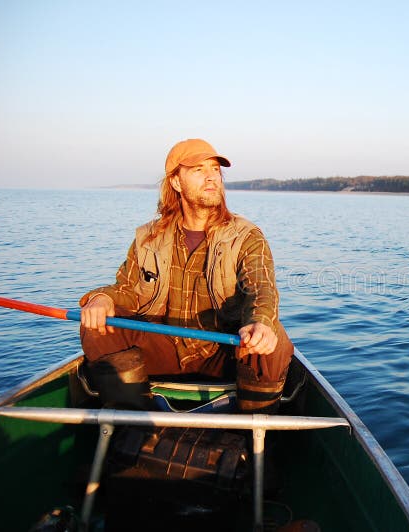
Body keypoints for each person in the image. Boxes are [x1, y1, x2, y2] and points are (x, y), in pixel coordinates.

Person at [79, 138, 293, 413]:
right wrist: (102, 299)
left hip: (224, 351)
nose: (212, 177)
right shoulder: (149, 238)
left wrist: (261, 324)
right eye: (198, 170)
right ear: (176, 183)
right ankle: (135, 428)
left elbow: (261, 289)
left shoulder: (246, 236)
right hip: (165, 347)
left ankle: (257, 441)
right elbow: (128, 290)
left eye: (215, 170)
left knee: (271, 339)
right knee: (95, 325)